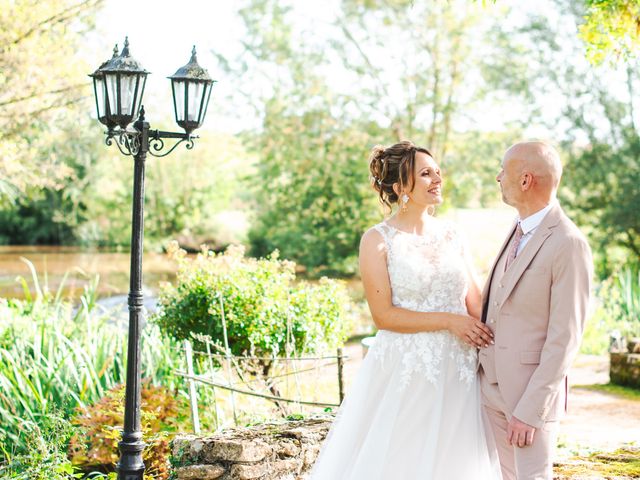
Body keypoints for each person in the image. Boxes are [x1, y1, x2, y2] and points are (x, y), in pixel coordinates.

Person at [309, 141, 501, 480]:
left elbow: (477, 303)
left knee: (453, 461)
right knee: (399, 458)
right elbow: (383, 316)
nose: (437, 179)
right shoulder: (377, 240)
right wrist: (448, 321)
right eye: (426, 174)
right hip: (406, 369)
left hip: (458, 370)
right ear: (400, 188)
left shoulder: (454, 235)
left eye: (437, 171)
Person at [479, 141, 593, 480]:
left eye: (504, 170)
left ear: (526, 180)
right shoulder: (517, 229)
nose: (498, 177)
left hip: (529, 399)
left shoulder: (569, 243)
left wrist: (531, 411)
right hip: (490, 389)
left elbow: (566, 339)